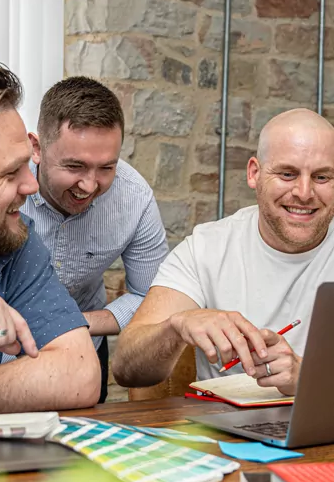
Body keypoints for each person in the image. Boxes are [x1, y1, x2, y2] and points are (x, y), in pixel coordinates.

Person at [112, 108, 334, 397]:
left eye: (322, 177)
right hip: (222, 433)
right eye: (287, 174)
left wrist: (309, 377)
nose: (304, 193)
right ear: (254, 173)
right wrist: (175, 326)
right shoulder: (206, 248)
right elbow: (126, 368)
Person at [21, 76, 168, 403]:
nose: (89, 185)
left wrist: (74, 324)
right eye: (74, 166)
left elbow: (152, 297)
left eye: (106, 168)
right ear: (37, 148)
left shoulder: (135, 198)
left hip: (83, 349)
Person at [0, 57, 101, 413]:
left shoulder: (13, 240)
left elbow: (79, 374)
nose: (30, 185)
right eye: (10, 172)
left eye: (27, 165)